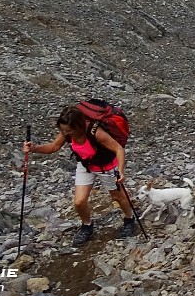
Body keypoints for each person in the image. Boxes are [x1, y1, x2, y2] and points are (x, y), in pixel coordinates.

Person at [25, 105, 137, 246]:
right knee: (79, 202)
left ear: (79, 126)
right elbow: (53, 147)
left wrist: (120, 171)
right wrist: (34, 148)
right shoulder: (67, 131)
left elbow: (118, 149)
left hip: (106, 166)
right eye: (63, 130)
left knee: (117, 196)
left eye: (68, 131)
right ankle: (87, 225)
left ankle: (129, 219)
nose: (65, 133)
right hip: (86, 165)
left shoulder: (96, 132)